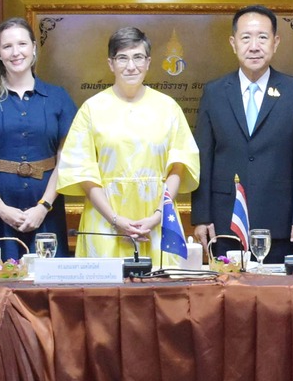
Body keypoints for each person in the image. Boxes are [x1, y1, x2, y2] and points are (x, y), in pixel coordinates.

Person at [57, 26, 200, 262]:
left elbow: (179, 166)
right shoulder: (92, 109)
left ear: (148, 62)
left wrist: (157, 216)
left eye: (138, 57)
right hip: (105, 220)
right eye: (122, 58)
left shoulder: (168, 108)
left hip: (157, 219)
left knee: (161, 283)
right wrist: (115, 220)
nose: (131, 66)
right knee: (104, 285)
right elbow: (82, 171)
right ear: (111, 64)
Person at [191, 5, 293, 260]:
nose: (254, 46)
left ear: (276, 42)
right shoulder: (214, 92)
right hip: (224, 221)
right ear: (233, 43)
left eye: (262, 37)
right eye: (246, 38)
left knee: (277, 286)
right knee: (227, 285)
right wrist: (202, 216)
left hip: (281, 222)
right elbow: (203, 156)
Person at [0, 17, 76, 259]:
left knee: (46, 278)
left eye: (22, 44)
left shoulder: (58, 97)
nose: (15, 52)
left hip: (45, 209)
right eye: (7, 46)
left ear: (34, 48)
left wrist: (43, 207)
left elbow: (66, 158)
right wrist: (0, 208)